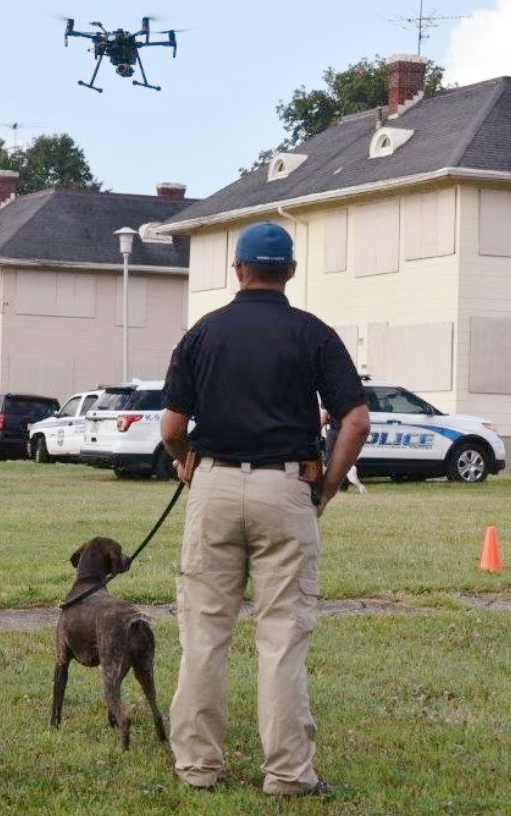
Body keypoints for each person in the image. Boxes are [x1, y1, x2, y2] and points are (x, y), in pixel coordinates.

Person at [160, 221, 370, 795]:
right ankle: (288, 774)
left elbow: (173, 426)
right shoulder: (313, 334)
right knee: (281, 637)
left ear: (237, 271)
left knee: (203, 632)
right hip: (285, 487)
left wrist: (185, 461)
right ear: (291, 273)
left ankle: (199, 767)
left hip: (214, 486)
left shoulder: (203, 332)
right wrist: (327, 485)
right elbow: (355, 419)